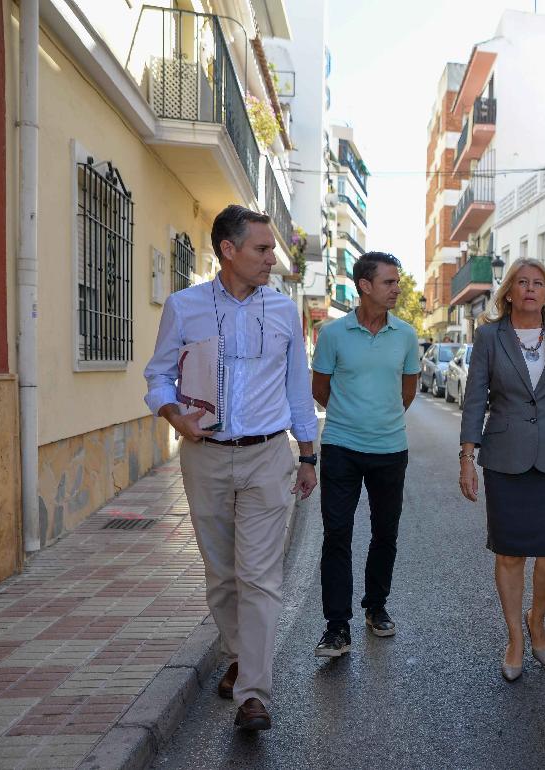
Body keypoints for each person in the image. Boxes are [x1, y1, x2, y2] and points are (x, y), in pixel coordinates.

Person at [144, 205, 317, 731]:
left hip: (268, 455)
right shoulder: (183, 306)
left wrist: (308, 453)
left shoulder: (284, 310)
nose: (272, 259)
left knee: (261, 578)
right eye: (262, 250)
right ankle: (242, 656)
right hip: (207, 457)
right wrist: (175, 414)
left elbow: (297, 388)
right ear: (228, 250)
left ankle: (254, 694)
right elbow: (157, 377)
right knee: (222, 577)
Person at [458, 258, 545, 682]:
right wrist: (467, 457)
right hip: (505, 456)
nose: (530, 289)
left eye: (538, 283)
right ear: (510, 292)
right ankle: (515, 636)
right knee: (511, 552)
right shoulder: (489, 337)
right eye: (522, 282)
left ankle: (538, 617)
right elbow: (475, 398)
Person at [311, 252, 420, 657]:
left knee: (385, 534)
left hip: (390, 449)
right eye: (389, 282)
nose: (396, 289)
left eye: (397, 281)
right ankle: (337, 626)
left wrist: (380, 420)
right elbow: (319, 389)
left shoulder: (406, 335)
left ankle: (376, 606)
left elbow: (407, 392)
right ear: (365, 285)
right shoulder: (333, 334)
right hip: (341, 446)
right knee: (337, 534)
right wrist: (352, 418)